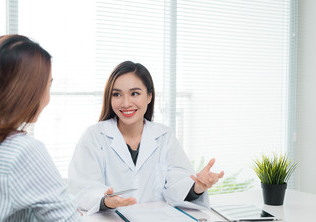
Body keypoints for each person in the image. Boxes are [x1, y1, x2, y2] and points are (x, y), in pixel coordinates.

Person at [0, 35, 101, 222]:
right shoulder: (22, 150)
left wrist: (32, 216)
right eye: (47, 86)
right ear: (25, 90)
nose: (48, 98)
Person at [68, 60, 224, 214]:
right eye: (117, 94)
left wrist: (197, 187)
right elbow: (82, 188)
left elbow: (179, 185)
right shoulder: (94, 136)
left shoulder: (164, 136)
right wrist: (105, 201)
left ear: (149, 96)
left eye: (134, 93)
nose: (126, 103)